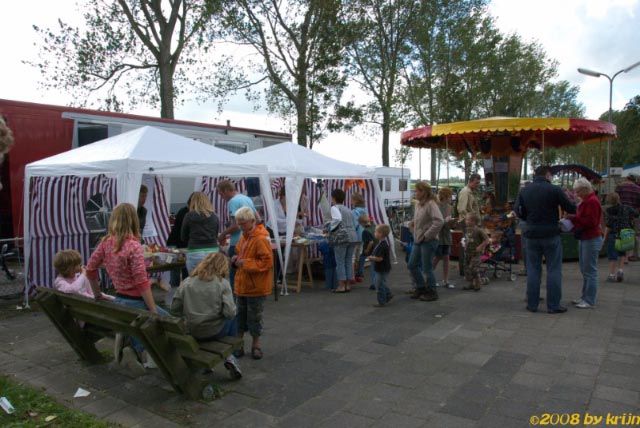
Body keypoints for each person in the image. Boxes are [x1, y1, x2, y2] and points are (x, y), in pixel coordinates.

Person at [86, 203, 169, 371]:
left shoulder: (106, 243)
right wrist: (152, 309)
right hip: (136, 301)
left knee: (147, 324)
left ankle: (136, 349)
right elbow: (140, 281)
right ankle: (139, 350)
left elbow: (90, 269)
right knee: (169, 324)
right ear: (134, 220)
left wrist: (97, 294)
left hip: (120, 299)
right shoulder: (134, 245)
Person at [514, 166, 576, 314]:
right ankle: (553, 305)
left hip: (531, 234)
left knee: (533, 270)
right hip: (551, 233)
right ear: (548, 175)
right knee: (554, 269)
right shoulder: (555, 189)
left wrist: (528, 219)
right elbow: (570, 208)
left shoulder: (525, 190)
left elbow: (517, 210)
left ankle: (532, 304)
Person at [170, 252, 241, 379]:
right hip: (215, 331)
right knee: (233, 317)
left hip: (193, 331)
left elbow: (174, 309)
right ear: (222, 267)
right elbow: (229, 313)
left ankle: (211, 365)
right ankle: (231, 356)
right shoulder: (222, 283)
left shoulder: (187, 282)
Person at [231, 206, 273, 360]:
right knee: (239, 316)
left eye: (243, 223)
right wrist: (236, 259)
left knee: (254, 317)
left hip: (255, 286)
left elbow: (267, 262)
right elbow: (239, 251)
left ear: (252, 221)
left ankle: (256, 345)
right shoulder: (245, 236)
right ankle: (239, 344)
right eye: (239, 223)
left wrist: (245, 263)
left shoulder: (261, 238)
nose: (240, 227)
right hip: (242, 285)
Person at [565, 178, 603, 309]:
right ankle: (584, 297)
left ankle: (589, 299)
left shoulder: (591, 201)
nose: (576, 194)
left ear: (585, 189)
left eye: (578, 191)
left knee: (590, 271)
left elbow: (591, 222)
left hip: (591, 238)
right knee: (585, 269)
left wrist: (573, 218)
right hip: (586, 238)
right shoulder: (588, 200)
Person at [217, 180, 256, 289]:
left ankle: (235, 300)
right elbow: (256, 218)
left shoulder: (233, 202)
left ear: (226, 191)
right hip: (249, 240)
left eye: (221, 194)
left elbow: (236, 226)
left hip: (237, 243)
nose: (221, 197)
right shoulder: (246, 198)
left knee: (235, 275)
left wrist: (223, 234)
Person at [408, 181, 444, 302]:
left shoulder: (431, 204)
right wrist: (413, 224)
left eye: (417, 191)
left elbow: (439, 221)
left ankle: (432, 291)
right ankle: (421, 287)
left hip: (428, 241)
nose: (415, 193)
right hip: (419, 239)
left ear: (423, 192)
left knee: (427, 267)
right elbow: (421, 220)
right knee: (412, 264)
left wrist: (427, 235)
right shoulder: (419, 204)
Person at [603, 192, 638, 282]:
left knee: (612, 255)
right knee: (622, 253)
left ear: (609, 201)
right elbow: (636, 214)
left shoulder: (609, 210)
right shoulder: (627, 207)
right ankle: (620, 271)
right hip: (625, 234)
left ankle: (611, 275)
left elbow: (608, 225)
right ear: (618, 199)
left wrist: (604, 238)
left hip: (614, 234)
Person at [181, 192, 219, 273]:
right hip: (212, 251)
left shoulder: (189, 216)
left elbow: (183, 236)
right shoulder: (214, 216)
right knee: (213, 278)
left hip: (195, 251)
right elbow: (216, 235)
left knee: (195, 280)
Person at [330, 188, 359, 293]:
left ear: (333, 198)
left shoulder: (334, 208)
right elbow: (355, 224)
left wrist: (330, 228)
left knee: (340, 261)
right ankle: (347, 285)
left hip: (342, 237)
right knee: (348, 260)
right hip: (353, 236)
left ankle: (341, 285)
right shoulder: (348, 210)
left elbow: (336, 220)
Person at [166, 193, 194, 289]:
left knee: (178, 269)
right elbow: (183, 234)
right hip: (177, 245)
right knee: (177, 269)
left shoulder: (185, 211)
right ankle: (177, 291)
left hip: (177, 244)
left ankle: (178, 290)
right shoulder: (185, 213)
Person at [456, 173, 482, 275]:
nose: (478, 185)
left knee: (469, 245)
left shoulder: (471, 192)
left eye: (479, 183)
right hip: (467, 223)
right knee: (466, 245)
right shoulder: (465, 192)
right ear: (470, 181)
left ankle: (468, 268)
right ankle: (464, 270)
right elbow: (461, 209)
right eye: (476, 182)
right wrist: (470, 220)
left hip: (470, 223)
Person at [433, 187, 456, 289]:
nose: (451, 198)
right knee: (437, 257)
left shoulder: (450, 207)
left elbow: (450, 224)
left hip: (446, 235)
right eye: (450, 196)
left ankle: (446, 280)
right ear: (446, 196)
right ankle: (430, 278)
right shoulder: (436, 206)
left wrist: (453, 222)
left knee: (446, 258)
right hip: (438, 236)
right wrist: (444, 221)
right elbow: (434, 222)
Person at [462, 213, 490, 291]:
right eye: (466, 220)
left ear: (473, 221)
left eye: (468, 220)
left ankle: (478, 284)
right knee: (467, 269)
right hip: (468, 252)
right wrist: (465, 244)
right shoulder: (467, 229)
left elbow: (487, 240)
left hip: (476, 253)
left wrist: (480, 246)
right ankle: (471, 284)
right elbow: (468, 239)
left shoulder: (478, 230)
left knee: (473, 268)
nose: (466, 221)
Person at [615, 175, 640, 260]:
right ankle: (635, 255)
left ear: (627, 179)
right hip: (634, 214)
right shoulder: (638, 188)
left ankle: (621, 255)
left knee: (620, 232)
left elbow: (615, 200)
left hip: (620, 214)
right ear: (634, 180)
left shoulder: (619, 187)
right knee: (635, 234)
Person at [368, 224, 392, 307]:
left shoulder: (382, 245)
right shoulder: (382, 243)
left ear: (380, 234)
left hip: (382, 268)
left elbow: (380, 258)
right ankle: (388, 294)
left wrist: (371, 258)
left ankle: (382, 301)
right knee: (380, 282)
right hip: (383, 267)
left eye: (376, 231)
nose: (374, 233)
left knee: (378, 284)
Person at [351, 192, 368, 283]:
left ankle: (352, 276)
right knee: (360, 255)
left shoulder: (353, 212)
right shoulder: (365, 210)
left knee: (352, 257)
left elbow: (353, 224)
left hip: (355, 235)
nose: (351, 201)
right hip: (364, 235)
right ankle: (359, 275)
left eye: (352, 200)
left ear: (355, 201)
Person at [359, 214, 377, 290]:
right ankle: (360, 272)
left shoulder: (365, 231)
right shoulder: (374, 226)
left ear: (362, 223)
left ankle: (374, 284)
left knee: (372, 267)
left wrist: (367, 250)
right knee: (374, 267)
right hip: (377, 248)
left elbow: (370, 242)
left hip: (371, 250)